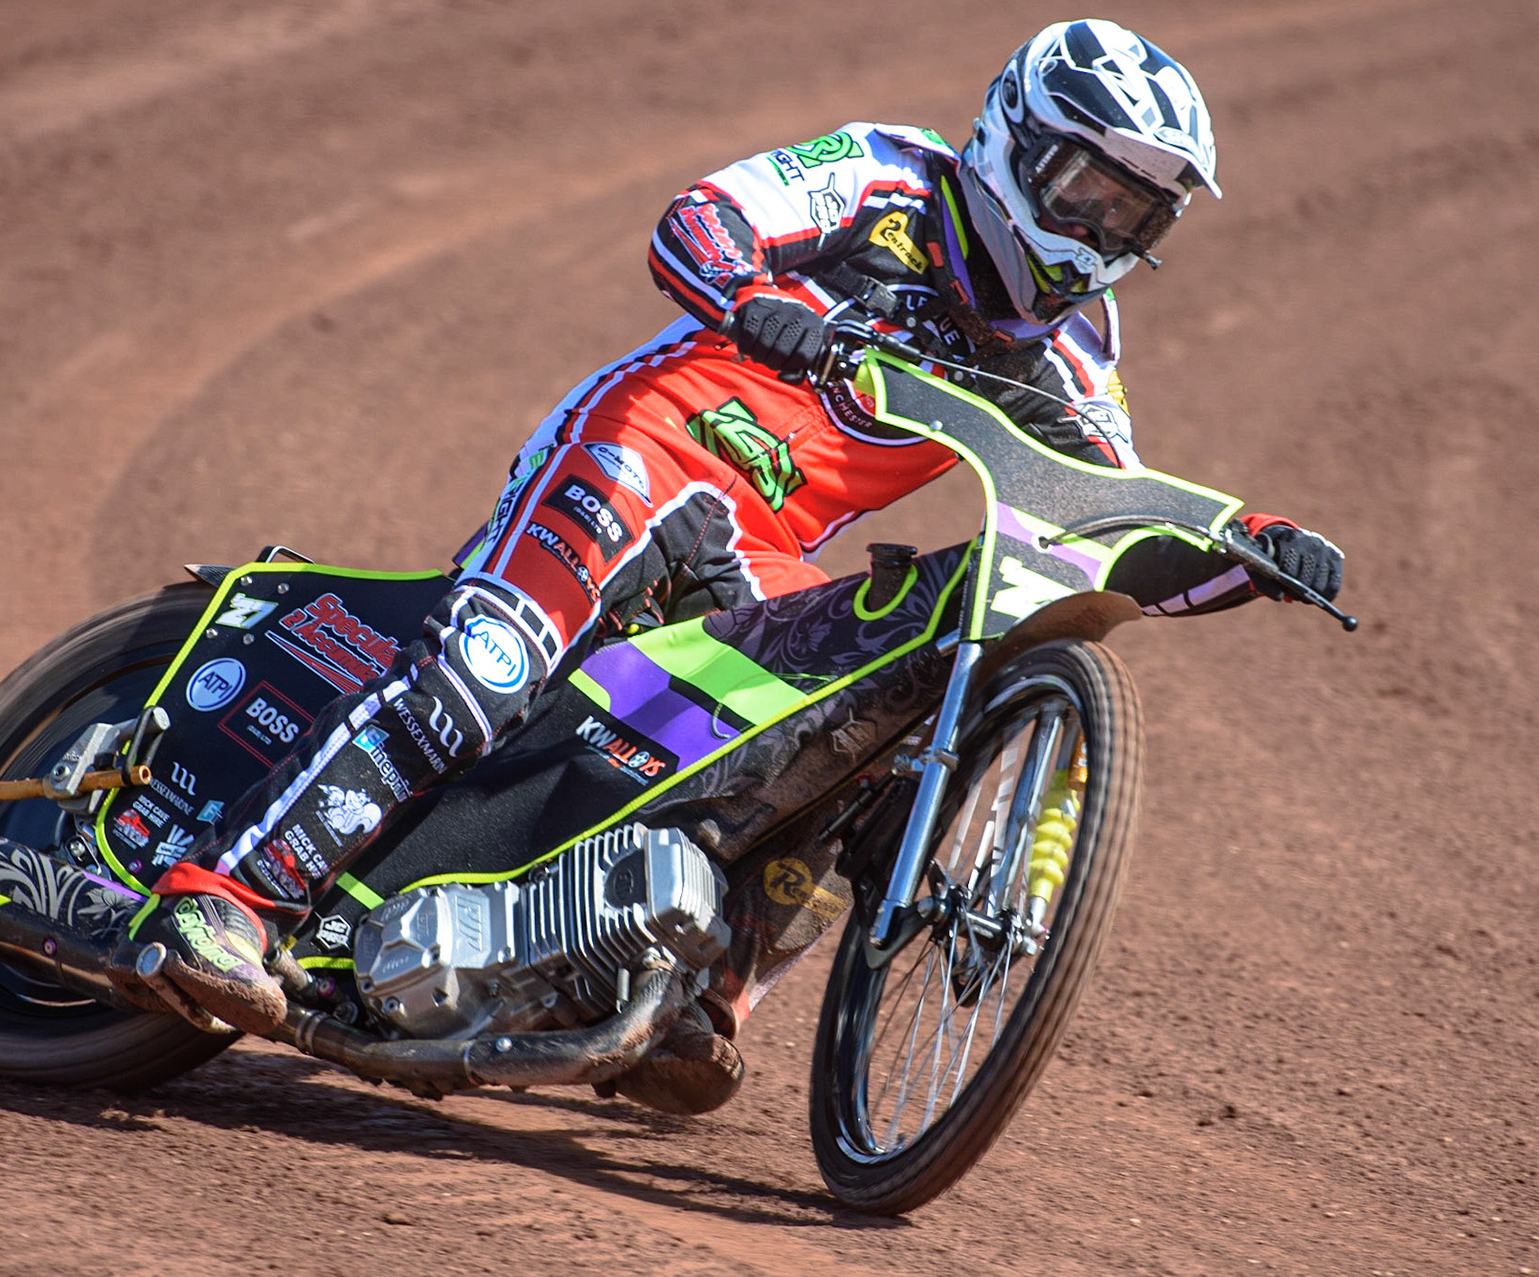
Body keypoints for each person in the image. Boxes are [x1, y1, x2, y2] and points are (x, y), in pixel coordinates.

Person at [116, 19, 1344, 1108]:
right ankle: (221, 893)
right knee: (485, 669)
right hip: (645, 446)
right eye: (1086, 186)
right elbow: (696, 220)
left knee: (852, 740)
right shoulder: (886, 178)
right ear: (1016, 141)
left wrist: (1253, 548)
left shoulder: (1076, 350)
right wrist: (762, 301)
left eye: (1134, 213)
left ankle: (690, 994)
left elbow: (1108, 513)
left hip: (755, 550)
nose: (1098, 228)